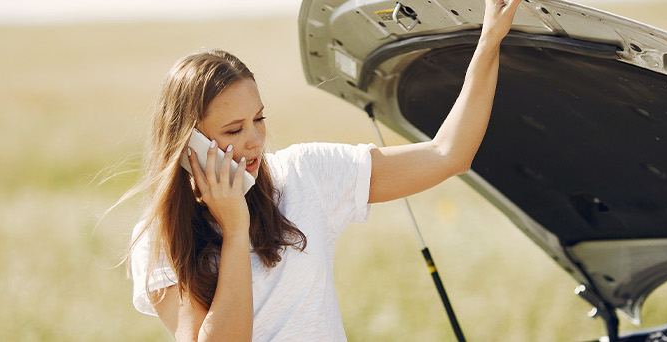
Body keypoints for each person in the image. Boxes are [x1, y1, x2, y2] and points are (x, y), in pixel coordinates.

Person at [122, 0, 523, 340]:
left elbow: (447, 154)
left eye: (259, 119)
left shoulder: (303, 175)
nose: (255, 139)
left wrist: (489, 41)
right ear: (189, 143)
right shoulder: (157, 239)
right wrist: (235, 228)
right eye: (233, 129)